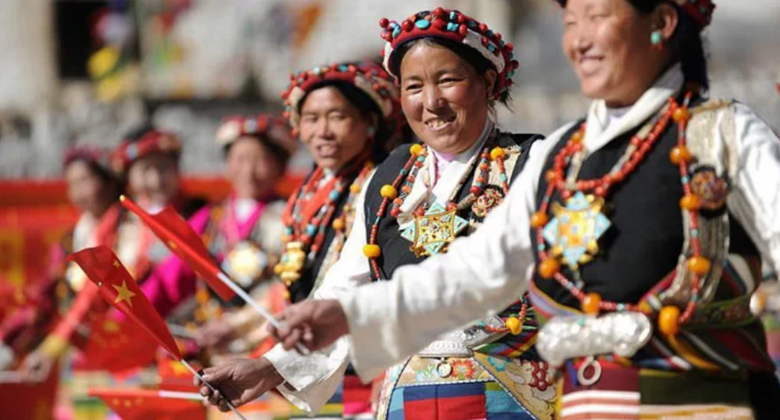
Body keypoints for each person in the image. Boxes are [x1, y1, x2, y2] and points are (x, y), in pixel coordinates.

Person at [266, 0, 780, 418]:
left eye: (597, 16)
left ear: (662, 22)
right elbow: (473, 272)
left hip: (701, 405)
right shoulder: (563, 157)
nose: (577, 40)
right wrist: (337, 315)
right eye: (570, 21)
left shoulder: (722, 136)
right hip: (584, 406)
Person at [200, 9, 553, 420]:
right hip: (407, 398)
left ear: (488, 82)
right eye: (415, 86)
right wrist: (267, 368)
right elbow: (343, 292)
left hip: (511, 397)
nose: (432, 102)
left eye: (448, 80)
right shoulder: (392, 178)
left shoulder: (537, 162)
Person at [199, 61, 406, 419]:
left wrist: (241, 331)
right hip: (305, 359)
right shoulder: (310, 193)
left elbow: (349, 283)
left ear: (369, 122)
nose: (322, 131)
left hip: (360, 365)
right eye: (311, 119)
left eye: (337, 116)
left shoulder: (383, 186)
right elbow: (289, 282)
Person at [137, 114, 294, 356]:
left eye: (261, 160)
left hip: (267, 343)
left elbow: (286, 287)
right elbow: (172, 278)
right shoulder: (211, 218)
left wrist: (235, 324)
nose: (248, 171)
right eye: (240, 160)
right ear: (228, 163)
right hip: (210, 342)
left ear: (280, 167)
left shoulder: (290, 217)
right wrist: (132, 315)